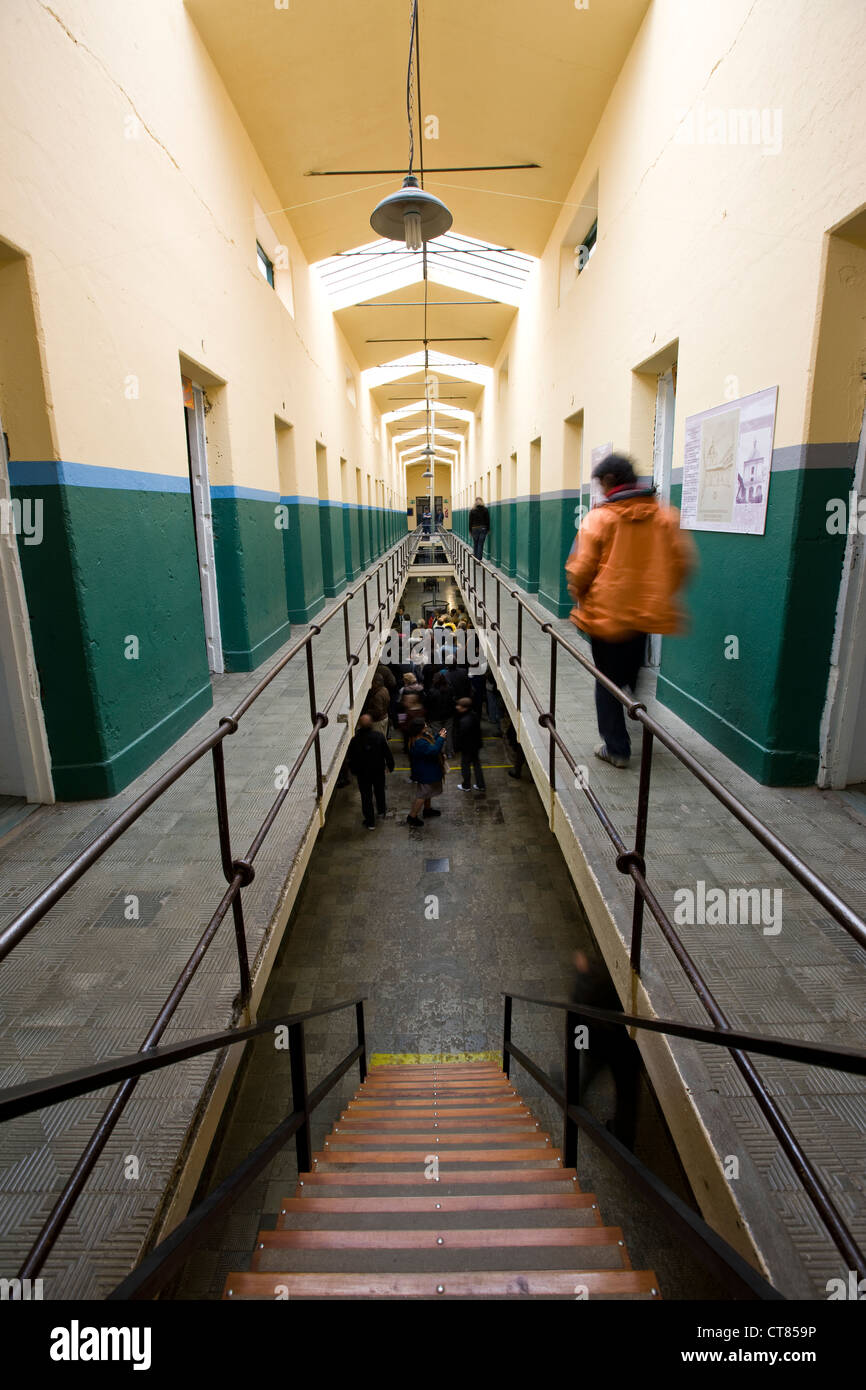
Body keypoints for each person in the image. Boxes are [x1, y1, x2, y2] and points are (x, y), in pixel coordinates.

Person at [564, 453, 695, 769]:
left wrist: (580, 595)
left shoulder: (600, 519)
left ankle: (617, 748)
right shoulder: (664, 517)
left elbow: (580, 569)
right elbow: (681, 563)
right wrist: (657, 594)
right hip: (643, 614)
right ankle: (633, 698)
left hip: (606, 615)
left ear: (609, 481)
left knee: (605, 681)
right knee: (629, 664)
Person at [569, 949, 638, 1150]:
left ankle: (574, 1099)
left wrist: (579, 1045)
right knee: (627, 1095)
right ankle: (625, 1141)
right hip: (626, 1046)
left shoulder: (588, 988)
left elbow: (577, 1019)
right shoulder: (620, 986)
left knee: (589, 1073)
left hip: (598, 1043)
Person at [347, 713, 395, 829]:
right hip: (378, 770)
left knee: (366, 796)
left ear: (359, 725)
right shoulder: (379, 737)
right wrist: (390, 765)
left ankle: (370, 821)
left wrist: (354, 771)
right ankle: (381, 810)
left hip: (363, 773)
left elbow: (351, 758)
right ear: (372, 724)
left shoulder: (355, 740)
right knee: (379, 790)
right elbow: (386, 753)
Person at [406, 717, 446, 826]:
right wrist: (441, 739)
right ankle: (412, 816)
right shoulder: (419, 742)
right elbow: (433, 750)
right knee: (422, 795)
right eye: (424, 726)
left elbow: (431, 744)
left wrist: (438, 736)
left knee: (428, 792)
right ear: (420, 729)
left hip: (426, 771)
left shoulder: (419, 737)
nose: (426, 727)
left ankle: (427, 810)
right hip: (426, 772)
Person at [454, 696, 485, 793]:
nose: (457, 707)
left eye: (459, 706)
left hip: (467, 747)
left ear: (465, 707)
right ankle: (480, 785)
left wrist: (458, 747)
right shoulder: (474, 715)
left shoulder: (464, 721)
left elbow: (462, 736)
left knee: (465, 765)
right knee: (476, 764)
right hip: (476, 745)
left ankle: (466, 785)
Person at [362, 672, 390, 739]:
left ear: (376, 683)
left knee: (379, 739)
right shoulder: (384, 689)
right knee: (383, 737)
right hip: (385, 717)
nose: (371, 684)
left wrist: (367, 712)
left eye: (372, 682)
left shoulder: (377, 696)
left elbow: (378, 711)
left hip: (378, 722)